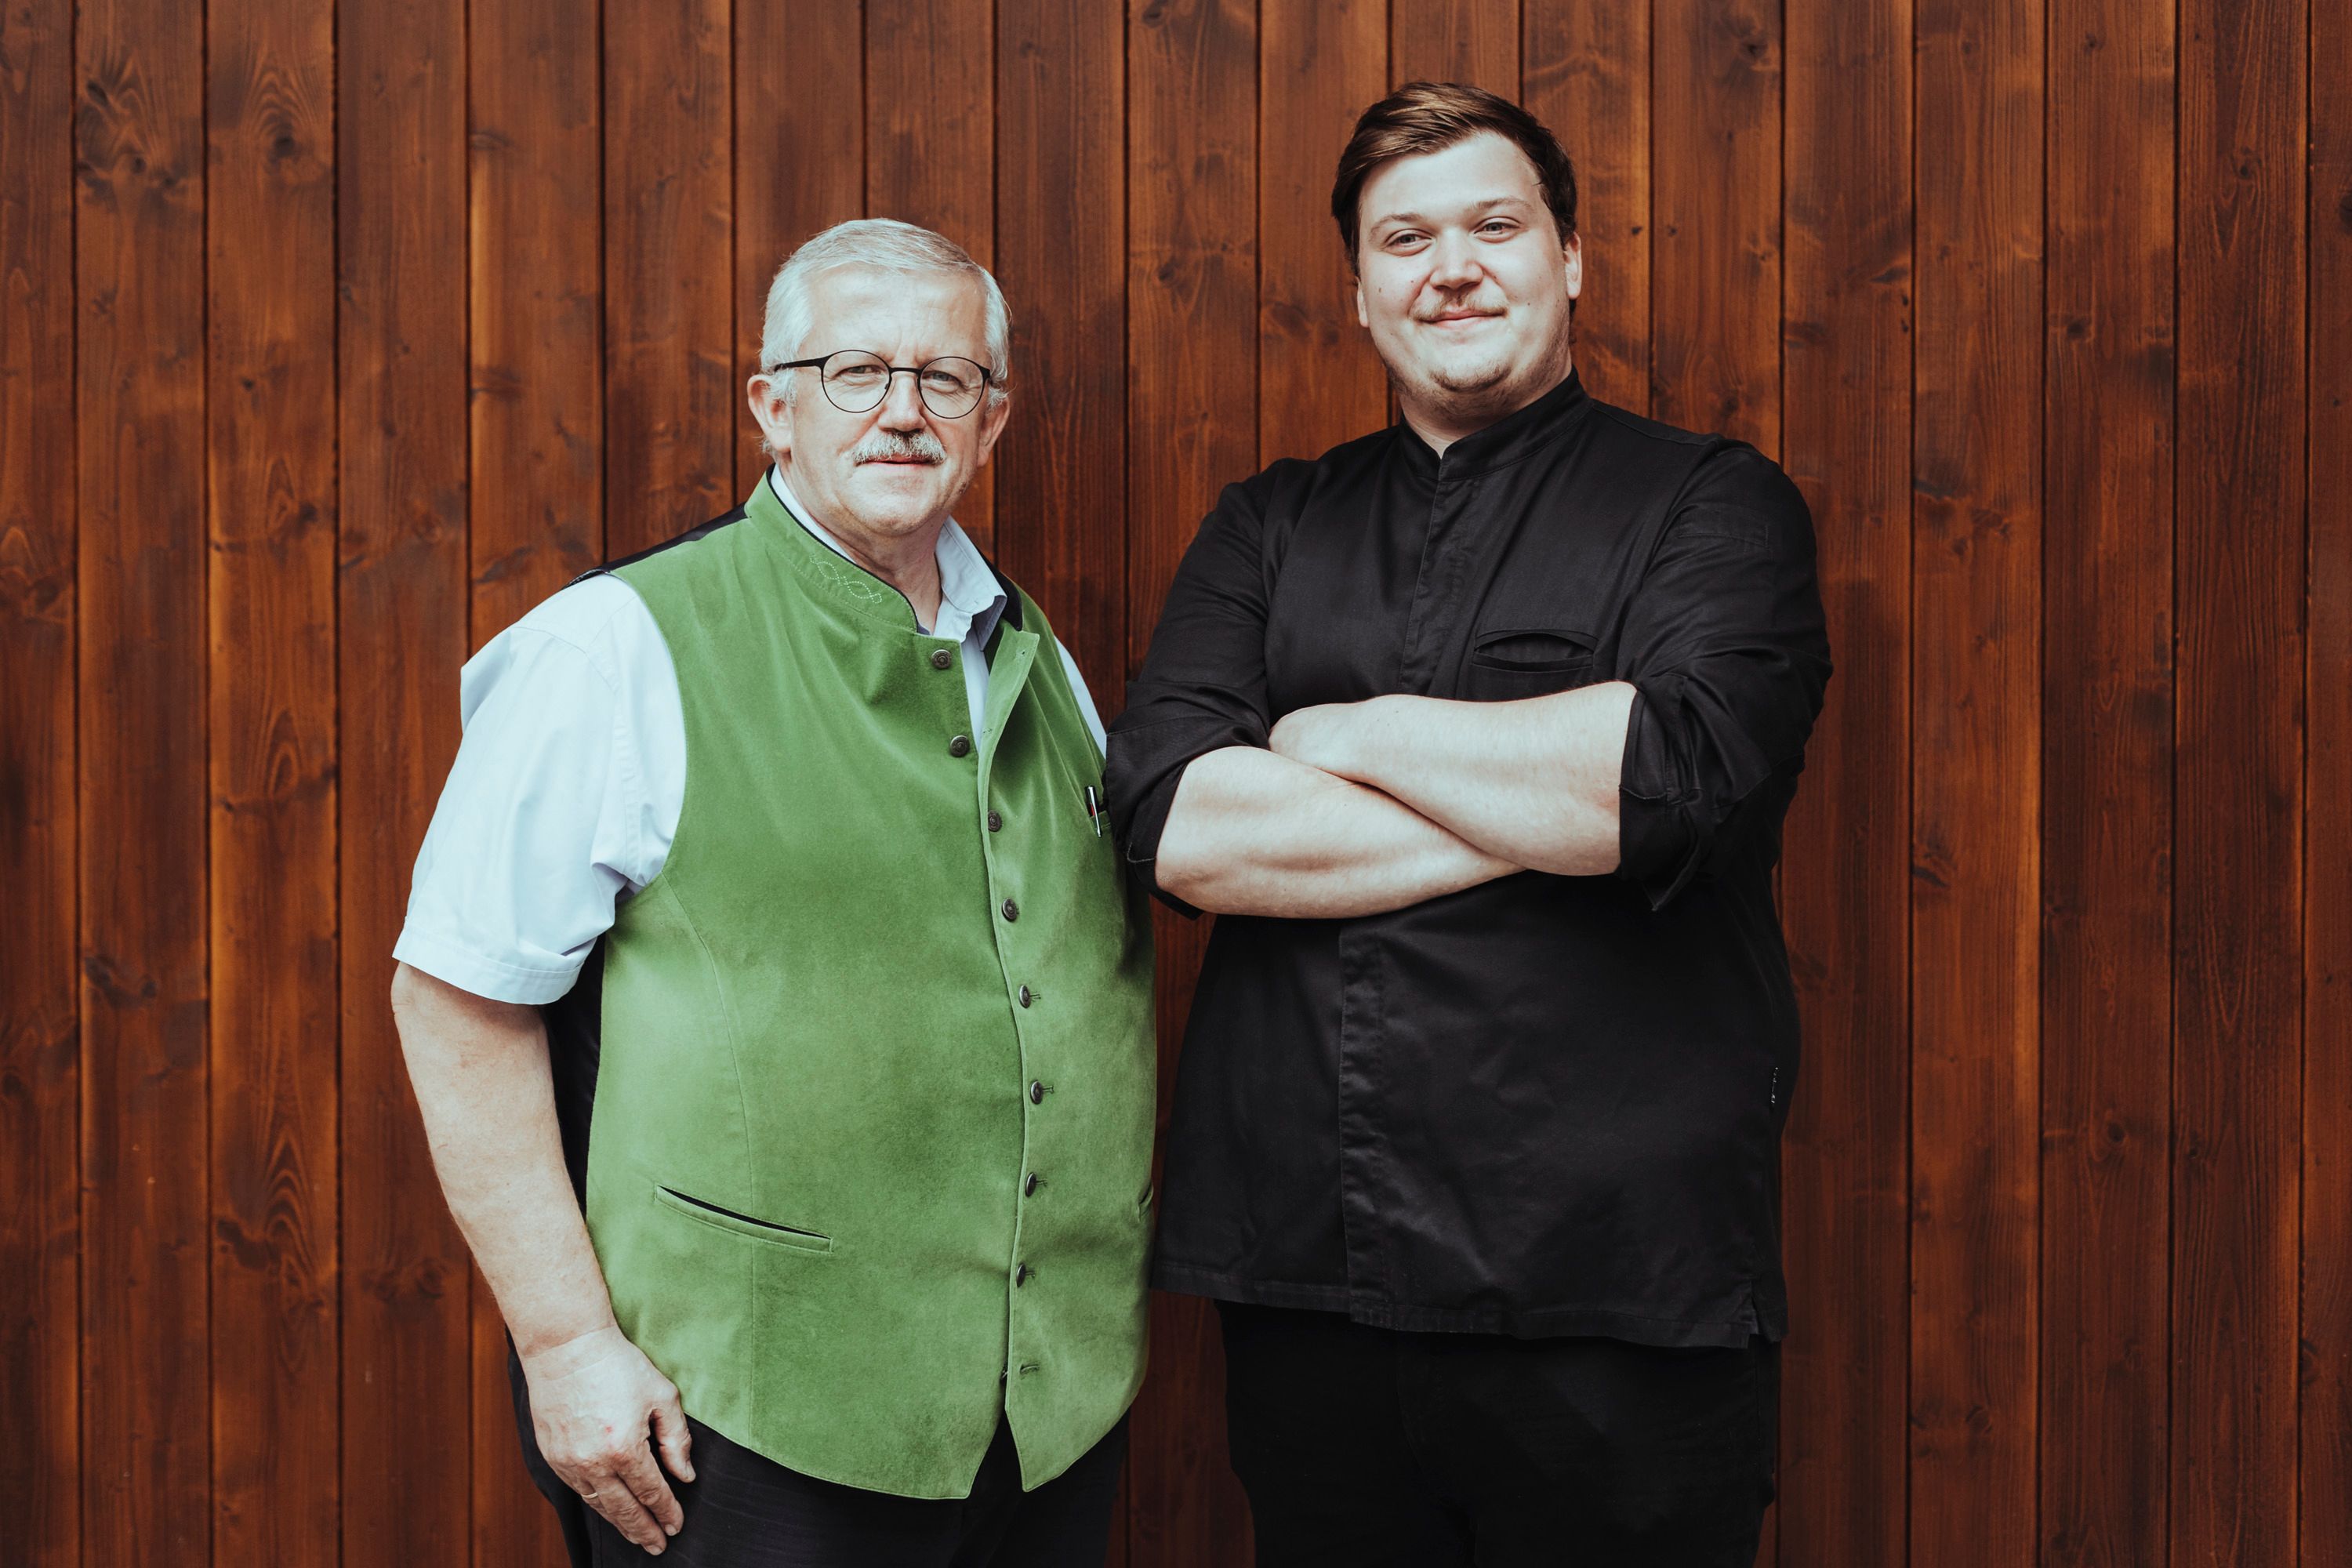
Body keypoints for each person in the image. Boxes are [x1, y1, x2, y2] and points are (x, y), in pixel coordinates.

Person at [1105, 82, 1831, 1567]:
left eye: (1496, 225)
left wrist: (1346, 735)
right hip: (1313, 1271)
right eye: (1405, 238)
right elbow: (1178, 823)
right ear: (1360, 292)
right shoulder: (1270, 522)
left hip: (1620, 1288)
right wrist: (1556, 799)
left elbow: (1675, 775)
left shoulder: (1713, 504)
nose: (1454, 264)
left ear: (1568, 257)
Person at [390, 218, 1156, 1567]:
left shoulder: (1044, 662)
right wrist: (566, 1347)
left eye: (948, 379)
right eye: (855, 372)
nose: (904, 413)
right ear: (773, 411)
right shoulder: (613, 648)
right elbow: (457, 1002)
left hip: (1044, 1422)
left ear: (995, 422)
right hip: (736, 1426)